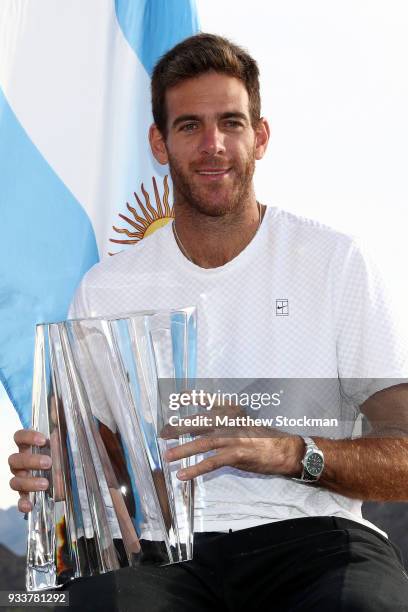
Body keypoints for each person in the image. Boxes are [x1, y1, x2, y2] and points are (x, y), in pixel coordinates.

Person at [8, 33, 408, 610]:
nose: (213, 144)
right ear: (159, 142)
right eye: (190, 125)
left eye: (231, 122)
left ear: (261, 136)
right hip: (162, 553)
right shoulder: (107, 289)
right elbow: (105, 454)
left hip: (316, 539)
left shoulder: (334, 262)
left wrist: (289, 452)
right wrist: (60, 470)